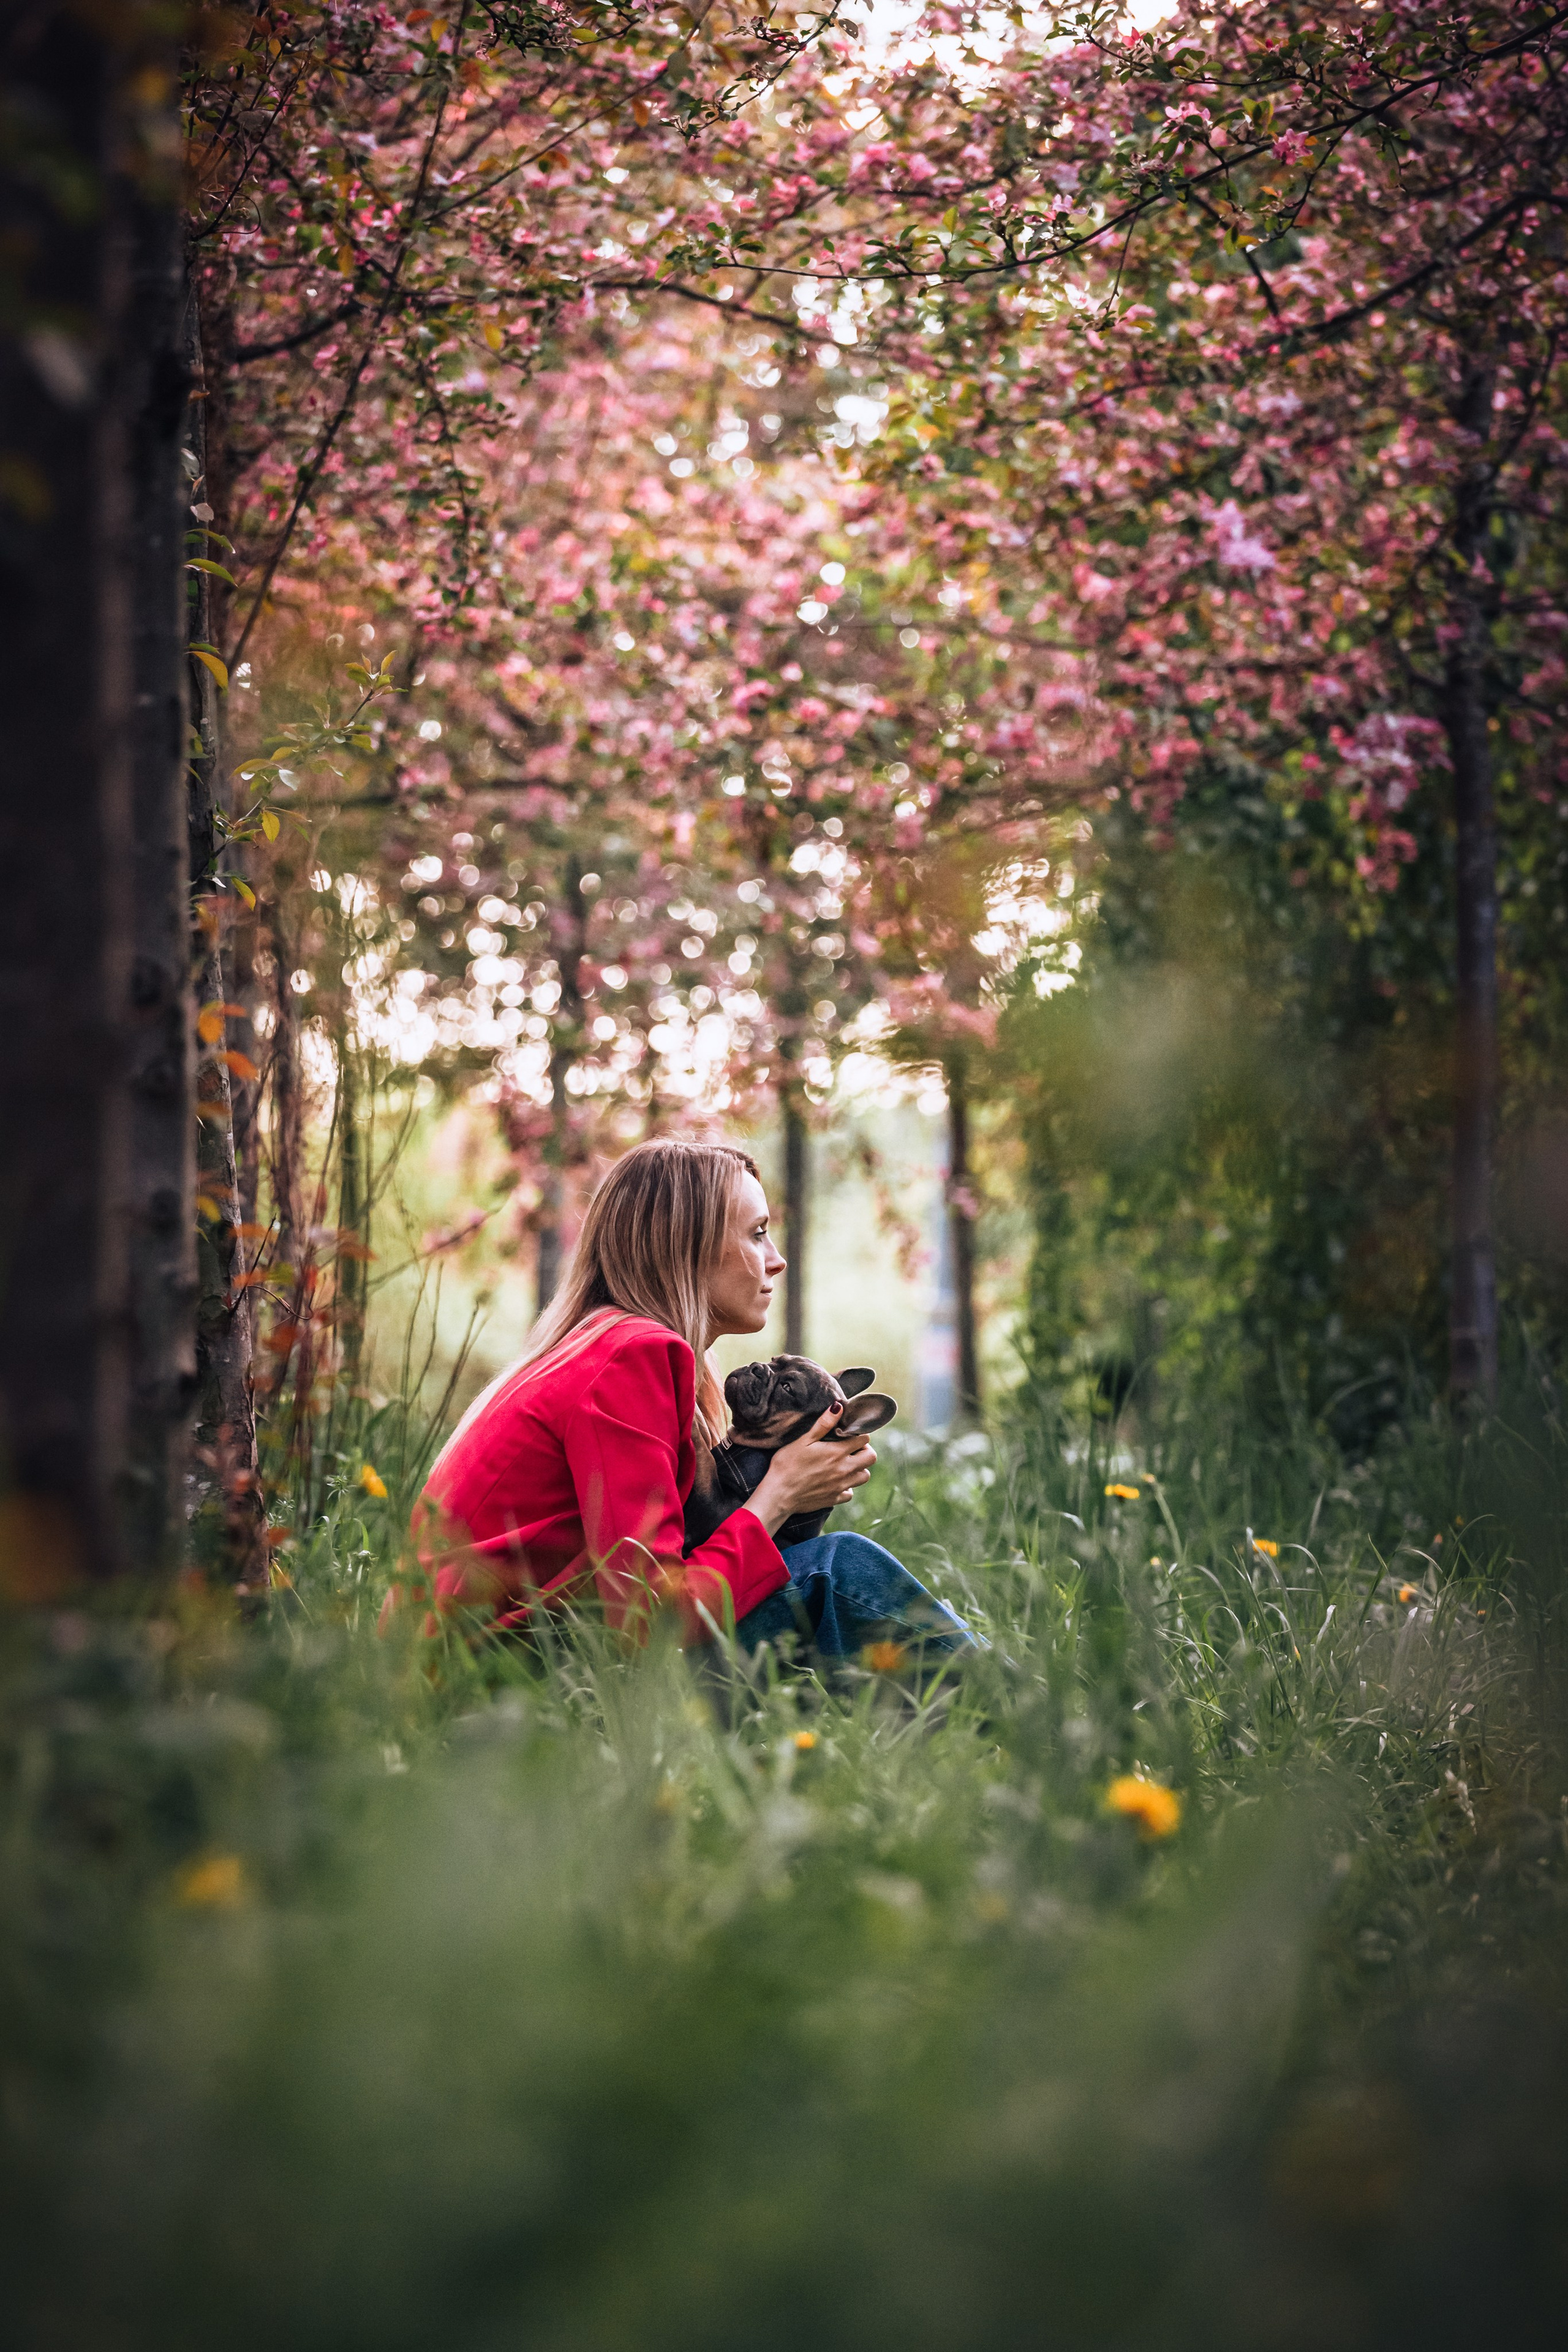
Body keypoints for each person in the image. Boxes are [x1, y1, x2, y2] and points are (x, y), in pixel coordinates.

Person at [418, 1137, 973, 1662]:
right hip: (511, 1681)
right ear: (689, 1247)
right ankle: (1024, 1718)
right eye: (757, 1234)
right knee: (834, 1570)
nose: (776, 1260)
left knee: (811, 1582)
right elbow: (647, 1618)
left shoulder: (614, 1346)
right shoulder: (630, 1357)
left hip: (522, 1655)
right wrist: (780, 1492)